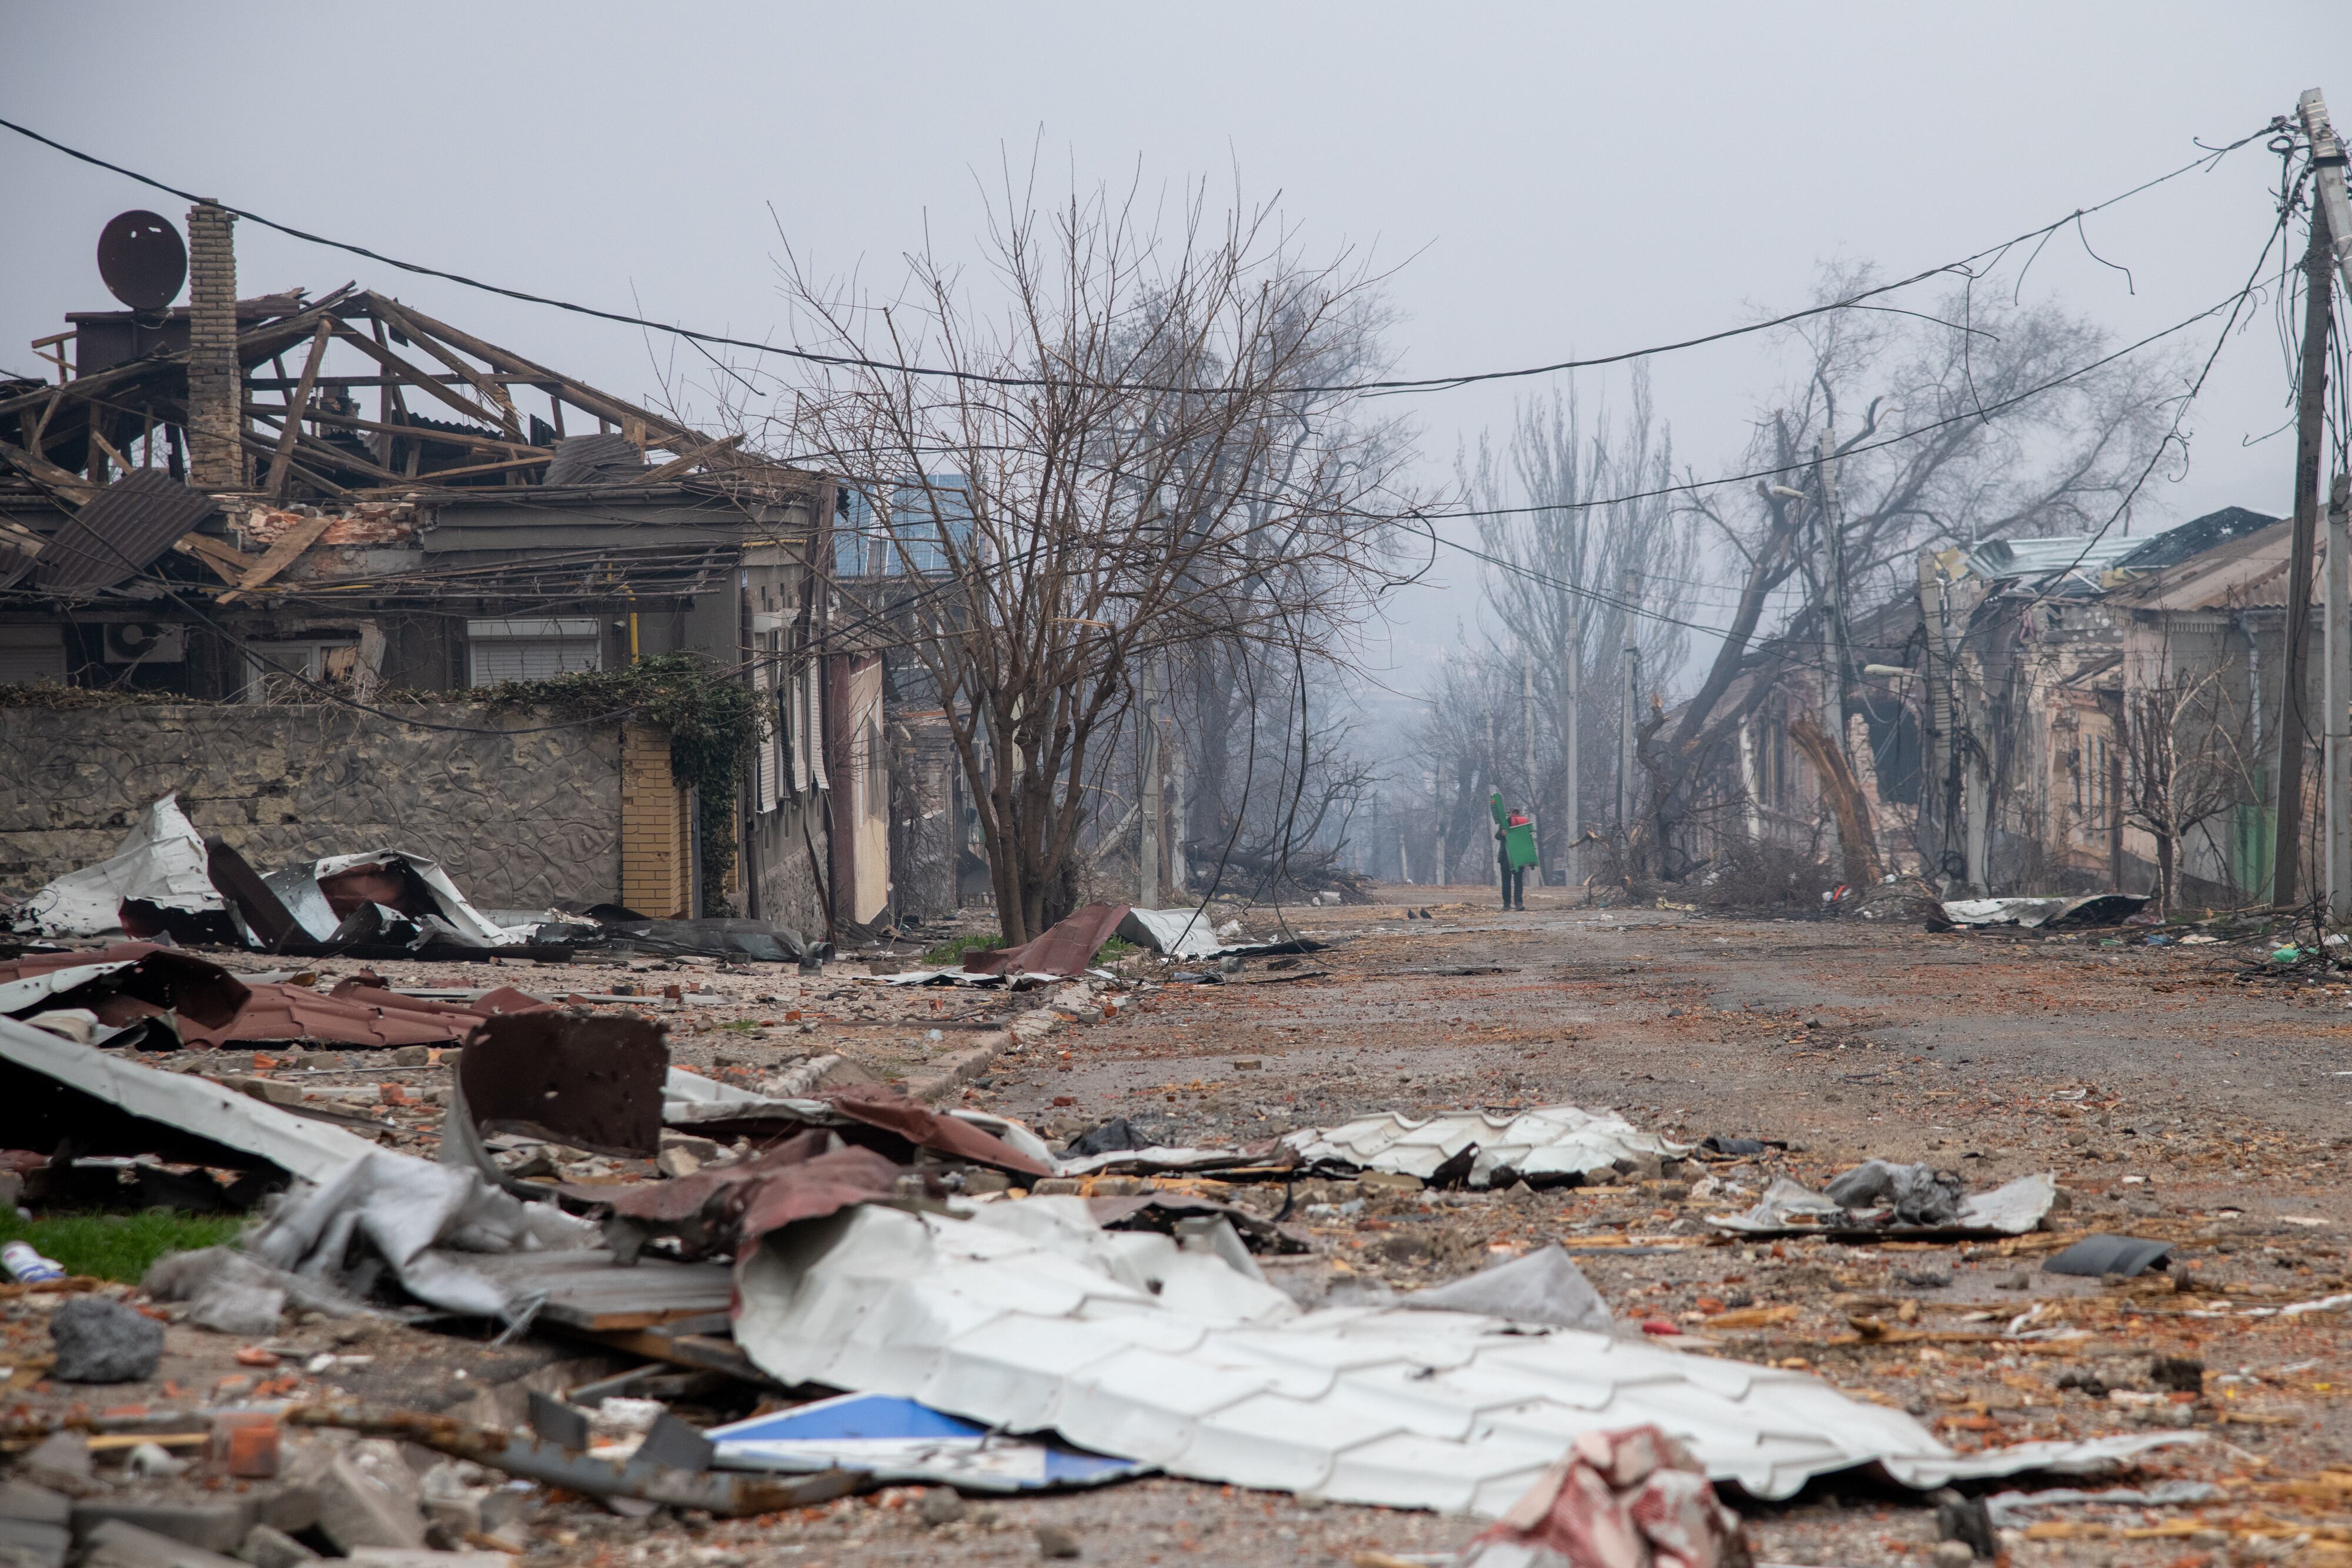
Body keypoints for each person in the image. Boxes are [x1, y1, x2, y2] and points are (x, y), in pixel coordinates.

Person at [1491, 792, 1531, 910]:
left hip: (1518, 857)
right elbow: (1497, 836)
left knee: (1518, 882)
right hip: (1505, 858)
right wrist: (1503, 833)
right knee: (1506, 882)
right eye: (1513, 813)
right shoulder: (1505, 824)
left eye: (1516, 813)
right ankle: (1506, 904)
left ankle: (1518, 903)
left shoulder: (1523, 825)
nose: (1514, 815)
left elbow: (1526, 840)